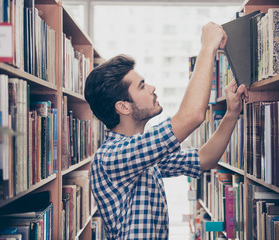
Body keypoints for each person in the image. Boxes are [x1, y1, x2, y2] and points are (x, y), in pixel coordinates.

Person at [84, 22, 248, 239]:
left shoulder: (143, 156)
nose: (152, 88)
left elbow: (203, 159)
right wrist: (207, 47)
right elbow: (192, 116)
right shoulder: (111, 157)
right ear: (123, 106)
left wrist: (232, 113)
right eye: (142, 86)